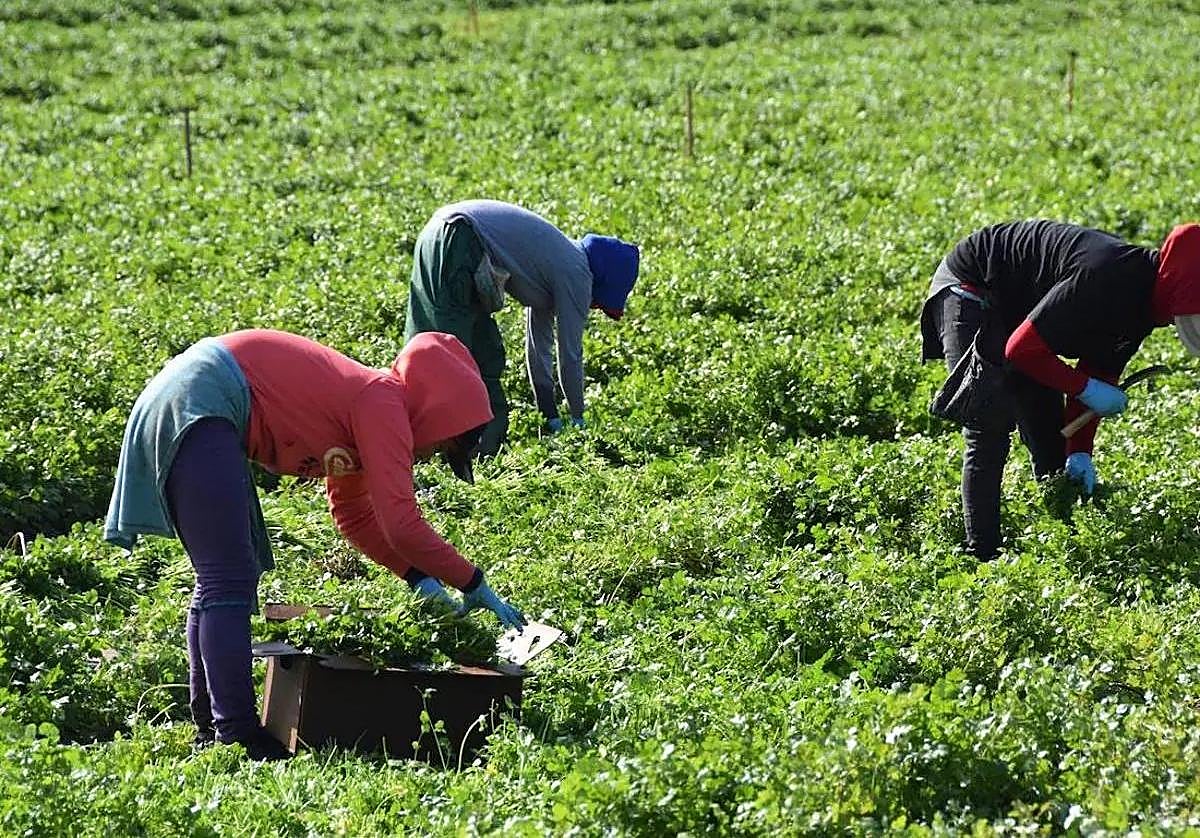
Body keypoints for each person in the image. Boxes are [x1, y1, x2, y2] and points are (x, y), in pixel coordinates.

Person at [104, 329, 526, 759]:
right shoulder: (383, 403)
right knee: (226, 579)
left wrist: (418, 577)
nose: (433, 456)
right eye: (444, 447)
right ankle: (236, 734)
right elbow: (402, 523)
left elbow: (356, 518)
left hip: (191, 395)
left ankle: (211, 726)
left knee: (224, 578)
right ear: (438, 415)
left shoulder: (370, 410)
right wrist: (470, 580)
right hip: (202, 398)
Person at [920, 221, 1200, 560]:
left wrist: (1080, 451)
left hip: (1021, 314)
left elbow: (1097, 371)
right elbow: (1022, 351)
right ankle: (982, 556)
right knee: (989, 423)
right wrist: (1085, 388)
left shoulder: (1143, 310)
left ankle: (1062, 543)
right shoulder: (1106, 275)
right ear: (1176, 289)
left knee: (1051, 437)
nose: (1176, 322)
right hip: (973, 287)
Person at [404, 199, 640, 455]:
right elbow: (570, 355)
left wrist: (549, 415)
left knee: (485, 354)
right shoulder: (577, 271)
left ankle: (482, 450)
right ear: (601, 281)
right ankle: (436, 447)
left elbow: (539, 351)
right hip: (457, 239)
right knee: (448, 356)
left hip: (447, 234)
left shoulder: (555, 266)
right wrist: (578, 418)